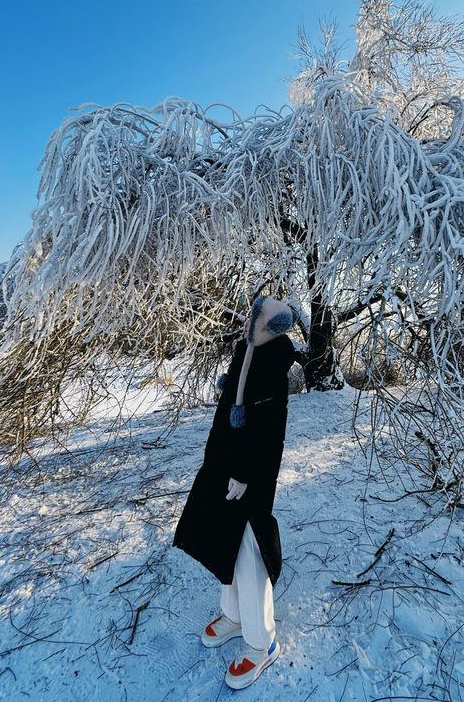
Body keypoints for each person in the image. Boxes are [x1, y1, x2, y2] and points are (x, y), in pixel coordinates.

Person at [172, 295, 298, 690]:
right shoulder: (247, 351)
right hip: (225, 465)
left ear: (269, 326)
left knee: (249, 550)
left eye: (256, 319)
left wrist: (244, 473)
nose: (249, 323)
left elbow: (268, 429)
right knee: (223, 539)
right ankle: (234, 614)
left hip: (249, 475)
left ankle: (262, 644)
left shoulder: (272, 361)